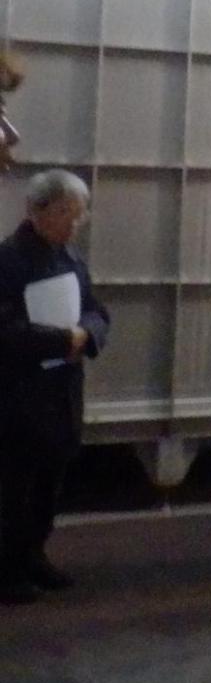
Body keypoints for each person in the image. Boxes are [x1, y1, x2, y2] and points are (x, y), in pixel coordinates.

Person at [0, 170, 111, 604]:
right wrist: (62, 340)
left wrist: (87, 333)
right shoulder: (8, 261)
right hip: (21, 393)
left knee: (50, 481)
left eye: (79, 215)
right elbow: (5, 329)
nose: (74, 223)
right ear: (37, 210)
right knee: (16, 486)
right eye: (66, 213)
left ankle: (33, 555)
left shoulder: (70, 258)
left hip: (63, 390)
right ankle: (7, 569)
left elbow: (97, 310)